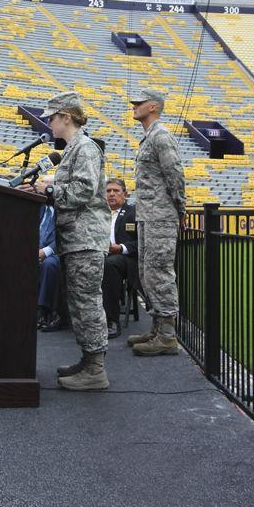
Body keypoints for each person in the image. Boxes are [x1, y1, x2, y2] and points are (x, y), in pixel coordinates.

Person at [24, 91, 110, 390]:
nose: (48, 123)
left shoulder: (84, 148)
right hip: (75, 239)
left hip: (85, 238)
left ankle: (96, 369)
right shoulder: (73, 148)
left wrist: (46, 191)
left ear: (67, 117)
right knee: (78, 303)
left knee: (87, 303)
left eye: (52, 118)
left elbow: (83, 192)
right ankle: (88, 360)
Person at [128, 88, 185, 356]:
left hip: (160, 216)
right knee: (147, 272)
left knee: (160, 273)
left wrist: (179, 208)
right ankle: (156, 327)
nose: (134, 106)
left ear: (153, 107)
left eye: (138, 103)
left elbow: (174, 173)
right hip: (148, 214)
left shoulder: (161, 136)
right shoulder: (150, 137)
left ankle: (167, 336)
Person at [102, 178, 138, 338]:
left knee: (110, 264)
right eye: (108, 191)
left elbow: (142, 242)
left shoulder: (133, 213)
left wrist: (121, 248)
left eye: (116, 191)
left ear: (125, 194)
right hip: (97, 254)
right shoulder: (97, 213)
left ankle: (112, 321)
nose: (111, 194)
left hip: (123, 258)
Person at [37, 202, 61, 329]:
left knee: (49, 264)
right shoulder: (37, 207)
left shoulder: (65, 210)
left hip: (56, 252)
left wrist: (45, 252)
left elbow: (65, 236)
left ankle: (43, 310)